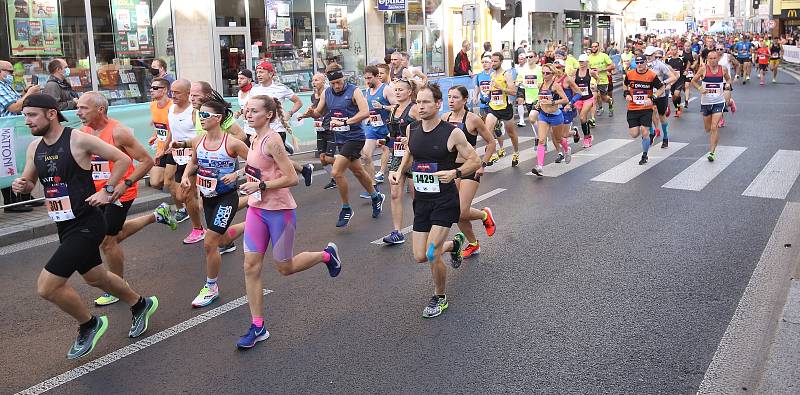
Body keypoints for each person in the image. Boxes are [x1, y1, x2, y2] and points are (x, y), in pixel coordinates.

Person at [13, 93, 158, 359]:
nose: (27, 121)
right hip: (63, 223)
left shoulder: (78, 139)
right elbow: (30, 181)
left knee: (47, 286)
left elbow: (124, 160)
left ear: (51, 113)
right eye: (25, 116)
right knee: (95, 277)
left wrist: (110, 190)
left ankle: (89, 323)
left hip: (88, 222)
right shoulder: (36, 147)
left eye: (31, 115)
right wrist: (22, 184)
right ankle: (141, 304)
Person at [235, 94, 342, 349]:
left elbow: (292, 178)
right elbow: (257, 168)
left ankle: (327, 256)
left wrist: (261, 185)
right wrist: (238, 174)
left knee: (285, 267)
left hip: (279, 211)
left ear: (268, 115)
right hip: (256, 209)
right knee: (251, 266)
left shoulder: (273, 141)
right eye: (247, 111)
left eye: (253, 111)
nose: (248, 115)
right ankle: (258, 326)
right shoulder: (253, 137)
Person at [389, 82, 480, 318]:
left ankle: (439, 297)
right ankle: (454, 245)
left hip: (445, 201)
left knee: (431, 253)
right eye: (418, 102)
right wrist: (398, 171)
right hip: (422, 200)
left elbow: (475, 160)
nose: (420, 106)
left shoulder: (452, 132)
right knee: (419, 255)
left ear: (438, 104)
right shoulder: (413, 130)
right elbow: (410, 152)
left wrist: (456, 173)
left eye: (426, 102)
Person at [75, 91, 176, 306]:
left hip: (120, 193)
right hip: (96, 194)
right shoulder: (83, 132)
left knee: (107, 241)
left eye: (83, 108)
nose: (78, 112)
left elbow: (146, 161)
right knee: (114, 234)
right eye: (78, 107)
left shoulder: (119, 132)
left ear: (100, 109)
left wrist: (124, 185)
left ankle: (117, 287)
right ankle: (156, 216)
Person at [180, 100, 249, 308]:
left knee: (209, 242)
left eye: (205, 115)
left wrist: (236, 173)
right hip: (207, 198)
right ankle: (254, 223)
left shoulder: (232, 143)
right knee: (219, 240)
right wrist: (185, 176)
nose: (201, 118)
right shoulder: (198, 141)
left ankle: (211, 287)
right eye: (200, 115)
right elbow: (194, 162)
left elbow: (256, 164)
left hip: (226, 197)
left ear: (218, 118)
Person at [300, 63, 385, 227]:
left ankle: (346, 208)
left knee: (337, 171)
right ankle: (376, 197)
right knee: (358, 172)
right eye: (333, 83)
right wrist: (311, 114)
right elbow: (319, 112)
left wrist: (346, 121)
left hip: (355, 137)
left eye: (338, 82)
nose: (336, 86)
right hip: (340, 137)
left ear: (343, 79)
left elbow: (365, 112)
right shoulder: (327, 93)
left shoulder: (354, 91)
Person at [442, 85, 496, 258]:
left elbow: (491, 142)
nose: (451, 100)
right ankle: (473, 244)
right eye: (449, 97)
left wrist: (483, 165)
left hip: (469, 168)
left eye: (455, 97)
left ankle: (483, 215)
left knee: (462, 211)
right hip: (451, 169)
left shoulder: (473, 119)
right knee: (455, 211)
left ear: (465, 100)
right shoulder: (445, 118)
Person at [250, 61, 313, 185]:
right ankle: (304, 170)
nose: (259, 75)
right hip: (259, 132)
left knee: (276, 161)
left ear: (271, 73)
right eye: (257, 72)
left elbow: (298, 102)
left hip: (277, 130)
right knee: (269, 160)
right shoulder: (254, 89)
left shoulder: (280, 88)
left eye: (262, 72)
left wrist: (288, 114)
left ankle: (276, 184)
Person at [380, 78, 418, 245]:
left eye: (401, 90)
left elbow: (426, 128)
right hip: (397, 154)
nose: (397, 92)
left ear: (409, 92)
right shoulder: (393, 108)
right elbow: (394, 134)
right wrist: (386, 140)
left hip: (415, 155)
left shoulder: (415, 109)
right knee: (395, 193)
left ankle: (423, 225)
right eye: (395, 90)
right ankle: (397, 232)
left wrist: (410, 139)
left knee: (416, 193)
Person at [166, 79, 205, 243]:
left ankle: (198, 229)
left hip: (193, 157)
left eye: (177, 92)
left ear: (188, 94)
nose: (172, 95)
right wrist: (167, 146)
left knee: (186, 195)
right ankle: (197, 203)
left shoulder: (194, 112)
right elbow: (171, 129)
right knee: (173, 187)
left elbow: (202, 135)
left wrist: (187, 145)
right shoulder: (171, 108)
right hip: (176, 154)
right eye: (171, 92)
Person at [1, 59, 41, 212]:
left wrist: (25, 93)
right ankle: (12, 201)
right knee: (8, 165)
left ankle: (23, 196)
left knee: (19, 164)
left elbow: (17, 101)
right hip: (5, 132)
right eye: (9, 71)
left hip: (12, 131)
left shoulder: (5, 85)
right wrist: (29, 94)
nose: (12, 74)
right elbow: (14, 107)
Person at [623, 55, 665, 166]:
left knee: (644, 131)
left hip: (646, 108)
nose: (639, 65)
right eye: (637, 63)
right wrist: (626, 94)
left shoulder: (651, 75)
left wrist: (652, 98)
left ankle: (644, 155)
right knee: (634, 134)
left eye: (641, 62)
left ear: (646, 62)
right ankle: (647, 134)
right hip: (632, 108)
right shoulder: (630, 74)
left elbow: (662, 88)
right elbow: (625, 85)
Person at [691, 49, 732, 162]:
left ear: (718, 59)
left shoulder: (722, 69)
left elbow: (728, 79)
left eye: (715, 58)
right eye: (711, 58)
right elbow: (693, 81)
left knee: (714, 126)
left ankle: (712, 152)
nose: (713, 60)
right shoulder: (703, 69)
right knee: (707, 129)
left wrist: (727, 85)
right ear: (707, 59)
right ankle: (731, 102)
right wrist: (700, 88)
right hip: (706, 102)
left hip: (719, 101)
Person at [530, 63, 570, 176]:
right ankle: (540, 166)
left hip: (556, 116)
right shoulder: (540, 85)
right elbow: (541, 98)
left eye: (547, 73)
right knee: (541, 140)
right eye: (543, 73)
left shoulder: (555, 85)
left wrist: (552, 102)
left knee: (558, 139)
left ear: (552, 74)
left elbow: (565, 99)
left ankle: (567, 149)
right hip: (543, 115)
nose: (545, 75)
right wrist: (538, 104)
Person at [360, 65, 394, 191]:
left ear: (376, 76)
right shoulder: (367, 91)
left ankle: (406, 176)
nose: (367, 81)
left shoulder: (386, 89)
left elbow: (397, 107)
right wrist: (368, 117)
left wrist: (383, 107)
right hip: (373, 128)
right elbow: (367, 108)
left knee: (394, 154)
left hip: (386, 127)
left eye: (369, 78)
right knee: (365, 155)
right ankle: (373, 186)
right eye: (365, 78)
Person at [484, 52, 520, 167]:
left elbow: (513, 91)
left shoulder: (506, 74)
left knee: (511, 133)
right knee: (487, 130)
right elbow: (493, 89)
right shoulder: (492, 75)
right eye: (492, 61)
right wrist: (489, 91)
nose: (493, 63)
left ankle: (516, 152)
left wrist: (501, 88)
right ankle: (494, 154)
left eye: (495, 61)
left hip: (505, 108)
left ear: (501, 62)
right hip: (493, 106)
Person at [305, 73, 336, 189]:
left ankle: (344, 161)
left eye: (316, 80)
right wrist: (306, 115)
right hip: (320, 129)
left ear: (323, 82)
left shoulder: (329, 93)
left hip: (330, 128)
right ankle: (334, 179)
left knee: (328, 157)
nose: (314, 82)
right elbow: (314, 112)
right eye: (313, 80)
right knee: (322, 158)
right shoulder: (313, 96)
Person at [644, 47, 678, 148]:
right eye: (647, 55)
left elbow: (673, 76)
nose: (648, 57)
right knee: (649, 112)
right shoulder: (643, 65)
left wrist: (664, 82)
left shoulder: (660, 65)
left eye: (650, 55)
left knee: (662, 117)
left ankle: (665, 137)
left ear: (654, 54)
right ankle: (652, 132)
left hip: (660, 94)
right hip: (648, 94)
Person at [146, 77, 172, 191]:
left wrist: (164, 149)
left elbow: (172, 129)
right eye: (151, 88)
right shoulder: (152, 105)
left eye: (155, 88)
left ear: (165, 90)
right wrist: (155, 136)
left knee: (168, 184)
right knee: (155, 182)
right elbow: (160, 125)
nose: (151, 90)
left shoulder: (172, 106)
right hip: (161, 148)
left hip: (172, 148)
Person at [573, 54, 599, 148]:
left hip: (588, 97)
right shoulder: (575, 72)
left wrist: (595, 85)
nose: (581, 64)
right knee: (583, 119)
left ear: (587, 62)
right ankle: (588, 134)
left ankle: (586, 138)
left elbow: (597, 79)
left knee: (582, 117)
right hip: (578, 98)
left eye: (583, 62)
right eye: (580, 62)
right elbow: (572, 83)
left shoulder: (590, 72)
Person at [588, 42, 615, 117]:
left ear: (598, 47)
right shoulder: (589, 57)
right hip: (593, 80)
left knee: (604, 98)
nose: (594, 48)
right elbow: (588, 68)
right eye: (592, 47)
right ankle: (600, 108)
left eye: (595, 46)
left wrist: (601, 70)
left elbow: (612, 66)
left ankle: (610, 102)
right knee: (595, 96)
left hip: (603, 80)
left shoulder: (604, 56)